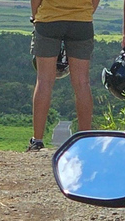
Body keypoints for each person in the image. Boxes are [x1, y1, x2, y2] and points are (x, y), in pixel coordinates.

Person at [28, 0, 98, 152]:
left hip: (49, 19)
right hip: (82, 21)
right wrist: (85, 13)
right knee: (82, 83)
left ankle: (37, 141)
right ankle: (85, 140)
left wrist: (35, 16)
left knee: (44, 80)